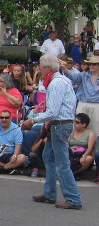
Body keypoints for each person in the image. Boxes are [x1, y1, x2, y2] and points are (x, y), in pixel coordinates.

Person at [21, 54, 82, 209]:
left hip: (60, 125)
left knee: (62, 163)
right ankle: (49, 193)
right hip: (58, 124)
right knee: (48, 156)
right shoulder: (60, 81)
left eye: (40, 66)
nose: (39, 69)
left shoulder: (56, 84)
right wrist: (47, 123)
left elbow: (53, 111)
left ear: (47, 68)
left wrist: (33, 120)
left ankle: (73, 198)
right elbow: (57, 109)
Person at [63, 56, 99, 145]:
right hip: (83, 104)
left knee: (96, 131)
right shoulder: (84, 75)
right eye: (89, 64)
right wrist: (64, 68)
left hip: (97, 105)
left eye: (94, 64)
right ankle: (75, 152)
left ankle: (94, 156)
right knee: (77, 128)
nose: (91, 66)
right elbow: (74, 77)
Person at [68, 113, 96, 179]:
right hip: (71, 154)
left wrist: (84, 156)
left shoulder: (90, 133)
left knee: (89, 159)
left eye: (77, 122)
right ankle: (70, 173)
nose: (74, 124)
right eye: (74, 121)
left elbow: (90, 148)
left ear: (84, 124)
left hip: (82, 154)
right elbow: (67, 144)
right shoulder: (72, 132)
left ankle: (74, 173)